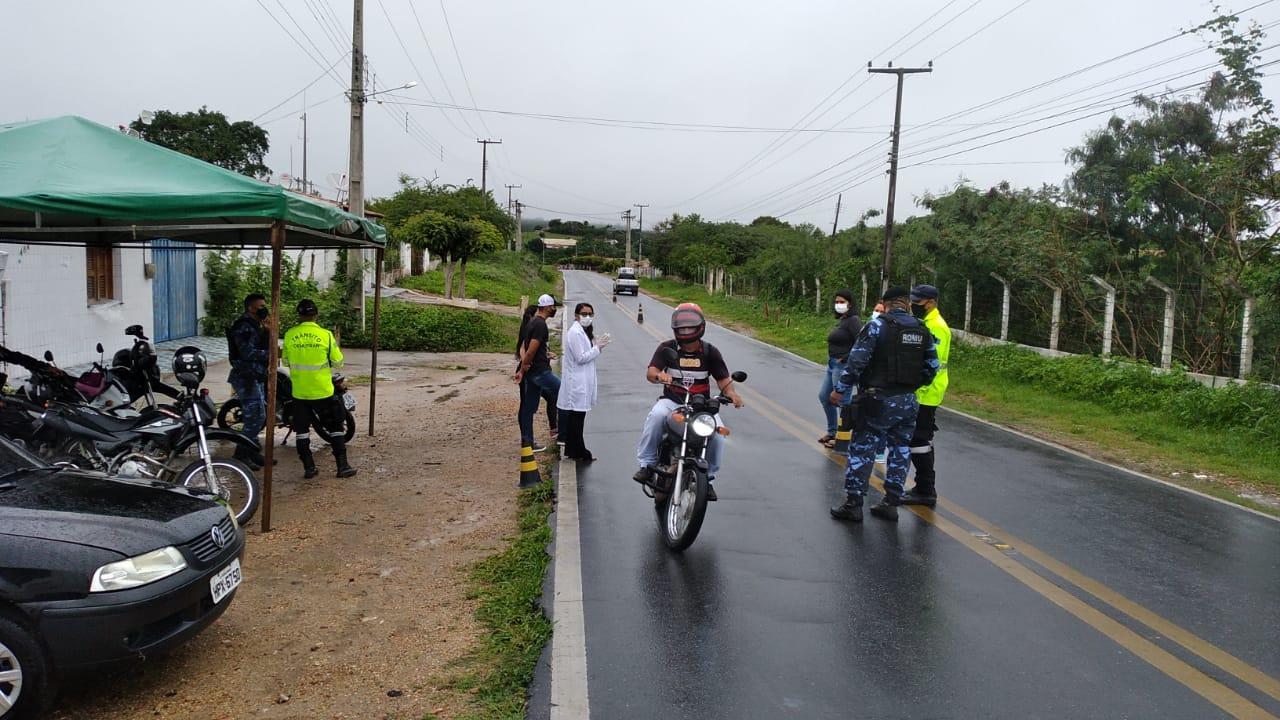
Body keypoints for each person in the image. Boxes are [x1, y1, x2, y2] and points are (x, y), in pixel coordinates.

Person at [828, 287, 939, 522]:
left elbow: (857, 361)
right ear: (907, 304)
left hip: (877, 399)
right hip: (908, 401)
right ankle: (891, 503)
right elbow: (932, 366)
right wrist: (911, 387)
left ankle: (854, 504)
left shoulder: (877, 326)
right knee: (900, 451)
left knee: (862, 449)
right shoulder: (921, 328)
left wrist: (840, 390)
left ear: (886, 304)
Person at [633, 303, 743, 501]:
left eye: (690, 326)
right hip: (672, 401)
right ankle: (646, 465)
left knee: (718, 435)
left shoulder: (710, 351)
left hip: (701, 407)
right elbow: (651, 372)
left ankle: (707, 478)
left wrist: (732, 394)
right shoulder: (667, 348)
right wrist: (660, 376)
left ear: (700, 326)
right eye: (682, 326)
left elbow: (723, 380)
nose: (685, 330)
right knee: (656, 417)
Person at [282, 298, 356, 479]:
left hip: (300, 392)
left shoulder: (290, 335)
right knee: (335, 426)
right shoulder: (325, 335)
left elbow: (285, 361)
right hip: (323, 390)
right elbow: (338, 361)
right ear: (316, 315)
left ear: (299, 315)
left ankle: (309, 468)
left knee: (301, 431)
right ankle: (342, 466)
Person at [903, 284, 952, 507]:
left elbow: (932, 363)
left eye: (918, 301)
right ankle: (923, 487)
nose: (914, 305)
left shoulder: (937, 327)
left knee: (920, 440)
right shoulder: (926, 323)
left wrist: (918, 388)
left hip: (928, 392)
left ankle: (926, 490)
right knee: (919, 439)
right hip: (922, 391)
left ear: (931, 302)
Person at [557, 303, 611, 461]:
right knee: (576, 420)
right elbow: (580, 358)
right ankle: (579, 451)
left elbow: (586, 354)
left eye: (590, 314)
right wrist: (597, 348)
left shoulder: (583, 332)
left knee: (577, 419)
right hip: (576, 383)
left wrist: (595, 345)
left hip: (582, 381)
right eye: (584, 313)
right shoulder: (575, 332)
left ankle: (575, 450)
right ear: (576, 315)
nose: (587, 317)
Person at [225, 293, 269, 469]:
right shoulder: (243, 326)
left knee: (258, 416)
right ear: (250, 308)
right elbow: (247, 353)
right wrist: (270, 354)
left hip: (255, 376)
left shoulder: (255, 325)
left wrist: (267, 332)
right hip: (246, 377)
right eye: (260, 306)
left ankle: (252, 451)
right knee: (255, 417)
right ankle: (241, 454)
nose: (264, 309)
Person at [516, 294, 562, 452]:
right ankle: (562, 433)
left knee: (528, 409)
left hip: (531, 373)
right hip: (540, 372)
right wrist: (523, 367)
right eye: (553, 306)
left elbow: (526, 347)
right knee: (564, 394)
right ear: (548, 307)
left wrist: (523, 370)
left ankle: (528, 442)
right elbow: (530, 350)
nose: (554, 309)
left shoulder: (532, 322)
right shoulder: (540, 325)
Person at [818, 289, 862, 448]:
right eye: (836, 302)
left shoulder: (853, 320)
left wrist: (847, 357)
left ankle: (845, 438)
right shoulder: (843, 320)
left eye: (842, 301)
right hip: (832, 364)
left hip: (842, 365)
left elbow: (861, 342)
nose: (838, 304)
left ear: (850, 304)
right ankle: (832, 431)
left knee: (842, 401)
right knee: (825, 397)